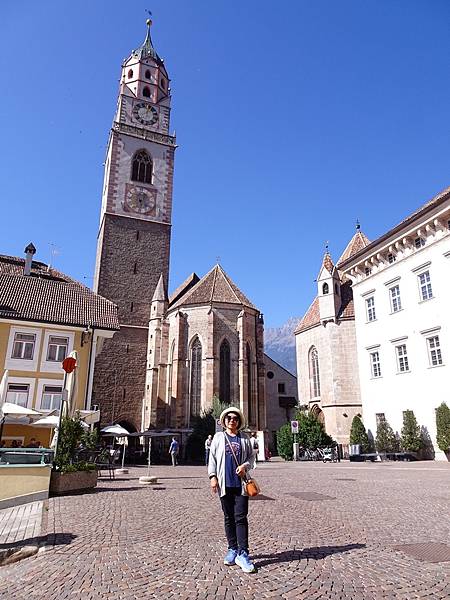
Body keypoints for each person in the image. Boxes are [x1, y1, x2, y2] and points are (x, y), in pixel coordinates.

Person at [208, 406, 256, 574]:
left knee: (241, 518)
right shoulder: (218, 437)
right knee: (228, 517)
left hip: (241, 484)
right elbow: (212, 458)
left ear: (238, 421)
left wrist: (245, 465)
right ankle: (232, 549)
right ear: (224, 421)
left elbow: (252, 457)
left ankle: (243, 553)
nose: (232, 420)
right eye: (229, 418)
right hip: (224, 483)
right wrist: (212, 477)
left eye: (235, 418)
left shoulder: (244, 438)